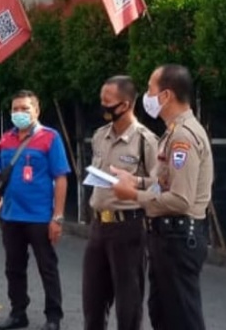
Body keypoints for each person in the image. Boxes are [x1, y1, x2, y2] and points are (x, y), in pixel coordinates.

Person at [112, 64, 213, 330]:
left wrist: (133, 194)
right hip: (166, 238)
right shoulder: (172, 132)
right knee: (162, 314)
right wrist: (137, 181)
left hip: (178, 239)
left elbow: (181, 200)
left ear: (166, 95)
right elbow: (164, 185)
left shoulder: (183, 137)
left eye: (150, 89)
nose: (146, 96)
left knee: (182, 318)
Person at [0, 89, 70, 330]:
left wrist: (58, 217)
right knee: (14, 268)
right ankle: (18, 313)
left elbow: (61, 178)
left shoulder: (50, 138)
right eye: (15, 109)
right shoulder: (5, 139)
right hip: (11, 217)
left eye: (25, 108)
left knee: (47, 268)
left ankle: (53, 318)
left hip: (41, 218)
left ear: (37, 111)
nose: (19, 113)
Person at [83, 76, 158, 330]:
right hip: (98, 227)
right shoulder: (99, 136)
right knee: (92, 301)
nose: (103, 106)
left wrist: (134, 182)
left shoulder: (145, 140)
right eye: (101, 100)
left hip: (129, 228)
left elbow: (160, 186)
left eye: (108, 102)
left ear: (125, 105)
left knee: (129, 304)